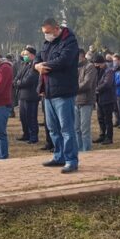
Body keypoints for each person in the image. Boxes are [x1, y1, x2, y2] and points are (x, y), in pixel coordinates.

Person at [36, 18, 80, 173]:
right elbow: (39, 56)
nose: (46, 35)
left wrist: (45, 66)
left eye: (48, 32)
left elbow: (64, 61)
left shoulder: (70, 41)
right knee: (53, 128)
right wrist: (37, 65)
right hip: (48, 92)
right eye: (44, 33)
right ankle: (59, 156)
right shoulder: (48, 43)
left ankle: (71, 160)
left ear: (56, 28)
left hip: (64, 92)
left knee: (67, 129)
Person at [14, 47, 40, 144]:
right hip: (22, 95)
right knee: (23, 117)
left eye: (26, 54)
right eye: (24, 54)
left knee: (31, 117)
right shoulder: (24, 64)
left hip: (31, 96)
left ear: (32, 55)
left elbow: (28, 80)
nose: (24, 56)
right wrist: (17, 82)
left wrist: (18, 83)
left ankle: (33, 136)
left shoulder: (35, 65)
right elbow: (17, 77)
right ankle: (26, 134)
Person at [76, 49, 97, 151]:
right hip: (75, 101)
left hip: (86, 101)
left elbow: (87, 84)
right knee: (76, 129)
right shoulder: (74, 67)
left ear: (82, 56)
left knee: (84, 129)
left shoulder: (90, 67)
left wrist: (72, 88)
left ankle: (86, 151)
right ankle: (78, 150)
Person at [93, 54, 116, 145]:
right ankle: (102, 135)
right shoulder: (98, 71)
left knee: (108, 119)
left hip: (108, 99)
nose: (96, 66)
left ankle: (109, 138)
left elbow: (107, 84)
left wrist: (96, 89)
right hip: (99, 99)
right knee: (100, 118)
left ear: (102, 63)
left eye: (97, 64)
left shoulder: (109, 71)